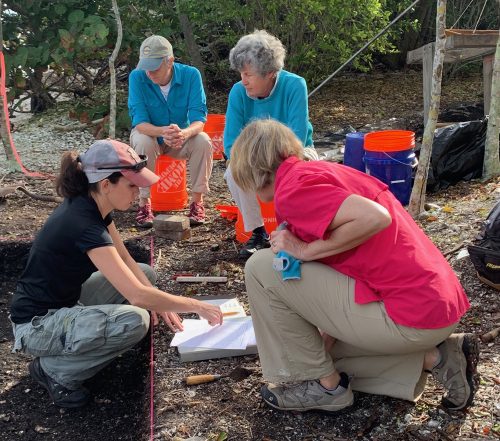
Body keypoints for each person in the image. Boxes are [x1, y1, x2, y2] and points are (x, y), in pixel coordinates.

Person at [229, 119, 479, 413]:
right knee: (316, 356)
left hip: (411, 314)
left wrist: (303, 250)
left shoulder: (293, 190)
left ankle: (327, 389)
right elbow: (344, 264)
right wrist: (322, 344)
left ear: (254, 168)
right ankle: (440, 358)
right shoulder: (317, 172)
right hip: (432, 306)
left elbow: (375, 217)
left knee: (261, 267)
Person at [9, 139, 223, 408]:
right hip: (36, 325)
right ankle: (56, 370)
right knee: (134, 321)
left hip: (64, 302)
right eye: (132, 185)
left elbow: (125, 259)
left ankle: (74, 347)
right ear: (106, 184)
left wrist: (161, 299)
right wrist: (195, 306)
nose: (138, 192)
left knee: (146, 273)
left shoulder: (94, 205)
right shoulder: (83, 223)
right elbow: (136, 296)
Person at [224, 30, 317, 259]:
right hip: (253, 158)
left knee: (306, 167)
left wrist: (274, 163)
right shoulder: (238, 92)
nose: (243, 80)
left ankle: (298, 227)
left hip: (294, 153)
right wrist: (250, 162)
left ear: (271, 74)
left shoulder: (295, 85)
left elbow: (298, 138)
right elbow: (230, 143)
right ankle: (258, 231)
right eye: (240, 74)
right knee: (232, 171)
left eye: (248, 74)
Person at [128, 35, 213, 228]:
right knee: (142, 141)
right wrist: (162, 131)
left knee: (203, 140)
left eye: (154, 67)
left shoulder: (191, 75)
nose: (149, 73)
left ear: (170, 61)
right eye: (146, 67)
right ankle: (144, 203)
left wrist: (184, 133)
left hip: (180, 137)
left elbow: (199, 120)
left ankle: (197, 202)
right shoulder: (137, 77)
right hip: (151, 135)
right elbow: (139, 122)